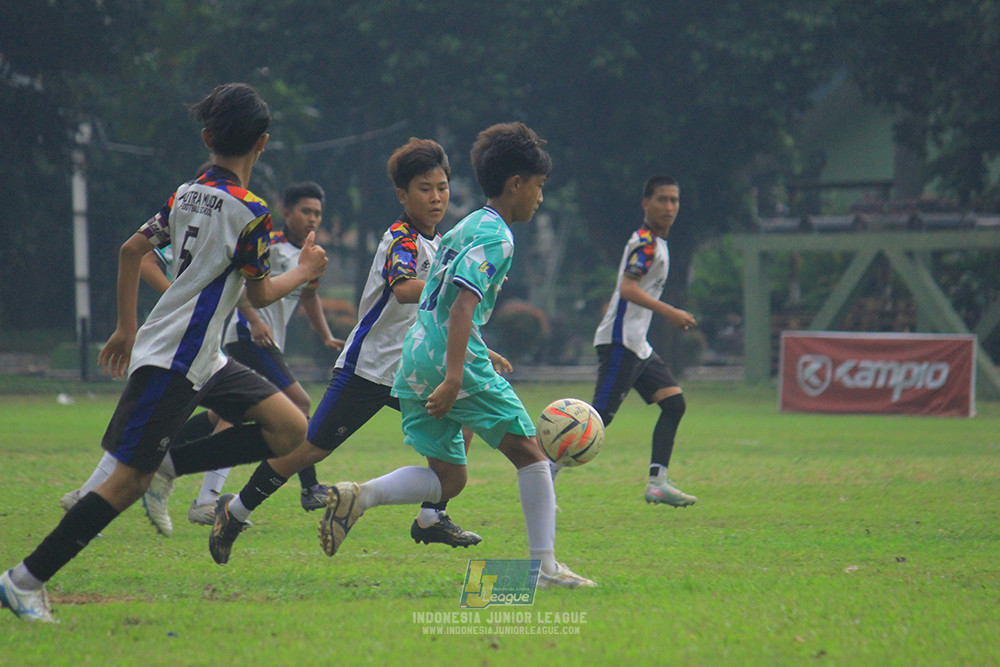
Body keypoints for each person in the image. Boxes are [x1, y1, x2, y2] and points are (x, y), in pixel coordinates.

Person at [0, 82, 327, 622]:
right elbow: (262, 293)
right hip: (179, 358)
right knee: (125, 482)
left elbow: (133, 249)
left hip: (206, 356)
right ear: (262, 144)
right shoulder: (251, 212)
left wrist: (129, 327)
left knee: (292, 427)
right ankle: (24, 580)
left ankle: (171, 465)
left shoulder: (186, 192)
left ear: (207, 137)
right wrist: (307, 271)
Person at [316, 122, 595, 590]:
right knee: (530, 454)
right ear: (517, 185)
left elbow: (443, 299)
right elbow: (463, 302)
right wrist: (454, 375)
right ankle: (545, 569)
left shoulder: (467, 224)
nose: (540, 198)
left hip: (416, 354)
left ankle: (359, 497)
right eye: (540, 187)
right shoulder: (497, 238)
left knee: (448, 479)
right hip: (449, 363)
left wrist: (474, 350)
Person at [207, 137, 485, 566]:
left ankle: (432, 517)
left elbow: (442, 314)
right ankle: (234, 512)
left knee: (462, 419)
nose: (436, 197)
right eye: (425, 188)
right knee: (309, 450)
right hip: (369, 370)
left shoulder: (440, 243)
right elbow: (406, 289)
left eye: (442, 187)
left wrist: (481, 347)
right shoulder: (401, 239)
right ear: (402, 195)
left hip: (412, 371)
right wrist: (456, 282)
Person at [183, 180, 345, 525]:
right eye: (305, 211)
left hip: (267, 345)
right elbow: (240, 284)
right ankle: (309, 487)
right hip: (247, 338)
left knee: (223, 416)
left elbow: (310, 297)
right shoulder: (268, 244)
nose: (312, 218)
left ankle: (160, 457)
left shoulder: (309, 255)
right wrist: (254, 320)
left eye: (317, 213)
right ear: (287, 213)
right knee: (299, 404)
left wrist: (327, 336)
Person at [588, 174, 698, 507]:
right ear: (645, 204)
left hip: (638, 344)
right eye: (662, 199)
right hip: (620, 342)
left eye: (674, 200)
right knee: (596, 420)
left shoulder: (658, 242)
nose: (669, 206)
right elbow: (628, 288)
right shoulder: (646, 243)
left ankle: (657, 483)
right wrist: (670, 312)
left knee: (674, 403)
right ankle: (544, 473)